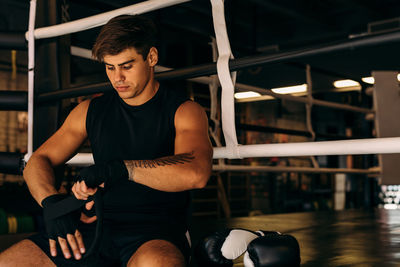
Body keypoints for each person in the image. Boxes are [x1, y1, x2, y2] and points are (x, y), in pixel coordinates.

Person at [0, 15, 213, 267]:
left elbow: (196, 173)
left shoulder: (183, 110)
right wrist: (52, 204)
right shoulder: (90, 110)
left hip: (154, 232)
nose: (117, 78)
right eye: (110, 67)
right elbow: (39, 160)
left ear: (151, 58)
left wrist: (120, 169)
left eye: (127, 65)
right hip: (93, 227)